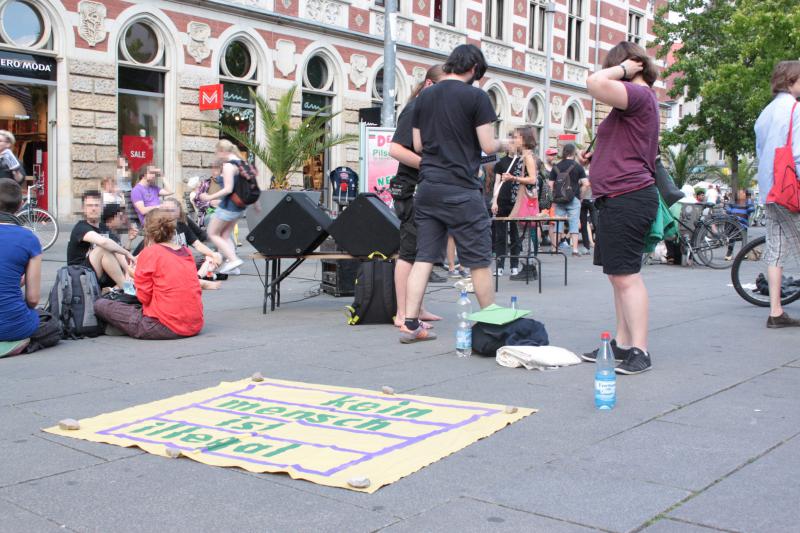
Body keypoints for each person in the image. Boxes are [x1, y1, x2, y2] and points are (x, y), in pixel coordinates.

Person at [402, 44, 509, 343]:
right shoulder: (476, 96)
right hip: (461, 189)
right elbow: (488, 146)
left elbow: (418, 145)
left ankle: (410, 324)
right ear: (474, 70)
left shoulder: (425, 96)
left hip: (428, 188)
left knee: (424, 256)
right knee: (478, 258)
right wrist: (507, 144)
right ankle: (490, 322)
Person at [581, 41, 660, 374]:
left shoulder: (639, 96)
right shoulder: (634, 104)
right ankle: (623, 342)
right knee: (618, 276)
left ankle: (640, 349)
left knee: (627, 276)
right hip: (618, 195)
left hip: (628, 194)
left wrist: (627, 69)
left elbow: (595, 82)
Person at [389, 64, 445, 328]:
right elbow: (395, 149)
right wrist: (429, 165)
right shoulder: (414, 109)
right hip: (412, 191)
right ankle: (403, 313)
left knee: (421, 252)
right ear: (430, 86)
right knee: (409, 253)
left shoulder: (428, 110)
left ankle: (416, 307)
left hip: (424, 188)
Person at [94, 208, 204, 339]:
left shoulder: (151, 252)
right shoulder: (186, 251)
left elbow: (144, 298)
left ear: (149, 231)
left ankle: (120, 326)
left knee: (100, 305)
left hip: (164, 325)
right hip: (194, 324)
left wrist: (135, 275)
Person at [754, 60, 800, 328]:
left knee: (776, 247)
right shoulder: (794, 109)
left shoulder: (767, 112)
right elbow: (797, 152)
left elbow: (762, 152)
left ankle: (775, 311)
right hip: (790, 188)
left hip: (770, 189)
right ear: (792, 79)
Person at [0, 179, 55, 354]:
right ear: (20, 206)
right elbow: (32, 299)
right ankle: (21, 344)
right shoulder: (28, 238)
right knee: (52, 324)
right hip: (12, 325)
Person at [67, 190, 137, 289]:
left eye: (96, 205)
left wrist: (127, 271)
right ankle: (126, 289)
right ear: (83, 209)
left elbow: (117, 251)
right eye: (89, 206)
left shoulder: (104, 228)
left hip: (98, 275)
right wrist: (127, 253)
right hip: (78, 277)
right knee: (103, 248)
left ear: (101, 208)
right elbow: (104, 242)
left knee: (115, 249)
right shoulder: (80, 227)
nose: (93, 209)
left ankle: (122, 287)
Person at [199, 140, 247, 274]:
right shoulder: (241, 162)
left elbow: (228, 189)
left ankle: (233, 260)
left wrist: (209, 197)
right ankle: (234, 267)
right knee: (225, 235)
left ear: (222, 151)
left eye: (217, 153)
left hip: (229, 205)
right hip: (240, 205)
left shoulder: (228, 165)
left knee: (212, 233)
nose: (217, 156)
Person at [549, 143, 589, 256]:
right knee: (574, 223)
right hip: (573, 198)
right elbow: (586, 184)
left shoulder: (556, 167)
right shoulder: (578, 166)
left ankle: (554, 249)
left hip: (559, 200)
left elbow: (550, 184)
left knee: (558, 224)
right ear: (573, 153)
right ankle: (575, 250)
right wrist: (580, 197)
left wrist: (555, 196)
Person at [724, 189, 754, 261]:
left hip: (743, 224)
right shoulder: (733, 202)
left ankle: (743, 253)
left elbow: (751, 209)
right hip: (733, 223)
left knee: (744, 238)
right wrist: (731, 212)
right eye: (739, 193)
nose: (741, 194)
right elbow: (728, 210)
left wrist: (749, 199)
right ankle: (729, 252)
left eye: (743, 193)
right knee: (732, 238)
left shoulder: (747, 203)